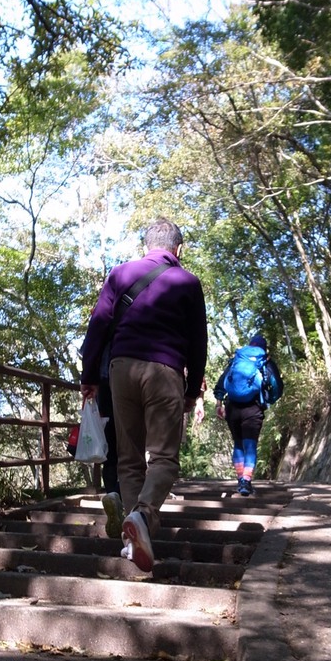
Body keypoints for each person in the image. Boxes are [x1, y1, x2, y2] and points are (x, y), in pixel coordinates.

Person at [80, 218, 208, 572]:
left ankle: (132, 540)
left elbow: (99, 324)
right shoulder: (188, 281)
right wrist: (193, 388)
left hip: (121, 369)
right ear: (178, 249)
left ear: (145, 246)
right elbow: (198, 342)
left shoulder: (120, 273)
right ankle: (142, 515)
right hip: (165, 370)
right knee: (164, 458)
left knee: (129, 458)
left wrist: (89, 376)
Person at [213, 333, 283, 497]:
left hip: (232, 407)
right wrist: (268, 400)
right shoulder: (265, 361)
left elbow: (222, 382)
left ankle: (240, 481)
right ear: (264, 348)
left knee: (238, 444)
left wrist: (218, 404)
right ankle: (246, 481)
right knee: (250, 445)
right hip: (253, 408)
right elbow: (277, 387)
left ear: (250, 345)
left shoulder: (237, 359)